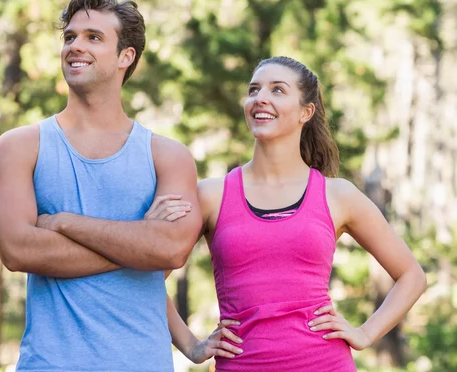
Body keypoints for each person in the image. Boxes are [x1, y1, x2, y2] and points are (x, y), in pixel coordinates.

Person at [150, 56, 427, 371]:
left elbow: (411, 276)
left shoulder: (337, 195)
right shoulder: (212, 195)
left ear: (305, 112)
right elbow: (150, 278)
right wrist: (191, 345)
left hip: (324, 363)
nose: (260, 98)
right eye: (254, 90)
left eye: (277, 90)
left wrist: (364, 333)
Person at [0, 0, 202, 372]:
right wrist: (139, 241)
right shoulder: (19, 147)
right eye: (69, 37)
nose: (75, 46)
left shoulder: (168, 156)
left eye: (93, 37)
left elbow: (170, 252)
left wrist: (63, 224)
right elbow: (18, 251)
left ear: (126, 57)